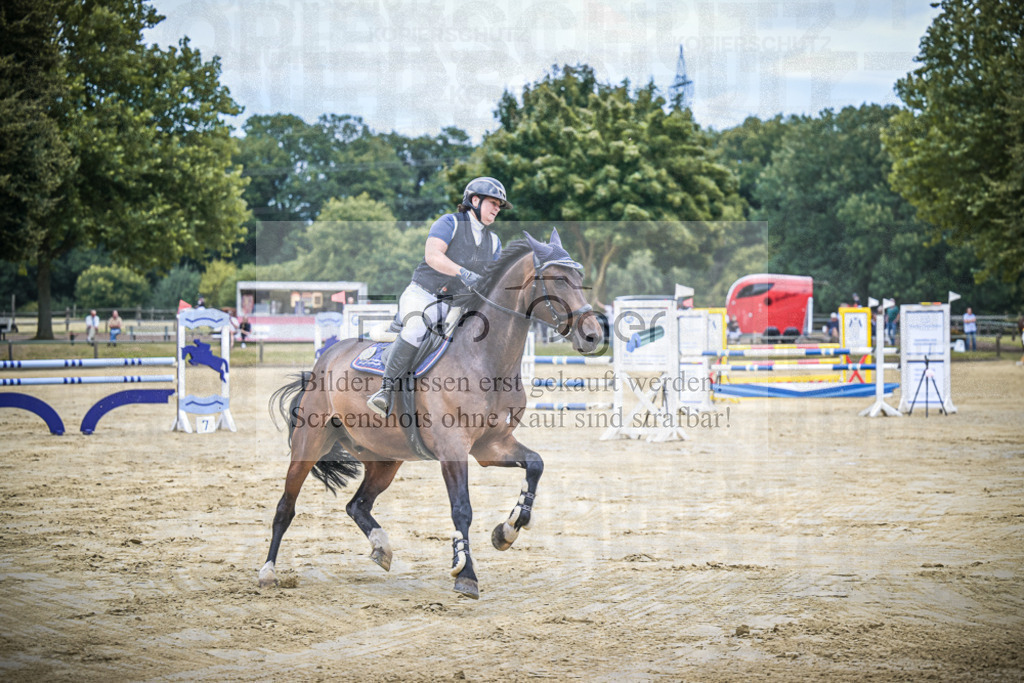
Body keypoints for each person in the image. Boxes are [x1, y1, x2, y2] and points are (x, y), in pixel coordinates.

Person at [367, 177, 510, 418]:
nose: (497, 208)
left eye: (499, 205)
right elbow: (433, 256)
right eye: (493, 203)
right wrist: (463, 272)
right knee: (416, 327)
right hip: (423, 295)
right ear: (475, 200)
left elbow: (492, 281)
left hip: (458, 306)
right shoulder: (449, 223)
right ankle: (385, 390)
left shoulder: (494, 241)